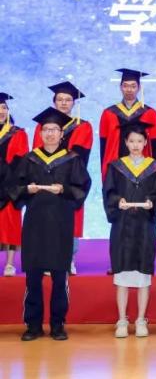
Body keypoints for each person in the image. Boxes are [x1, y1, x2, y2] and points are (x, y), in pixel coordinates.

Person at [12, 107, 91, 341]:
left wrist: (64, 189)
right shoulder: (30, 159)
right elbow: (13, 187)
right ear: (40, 133)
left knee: (59, 277)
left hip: (60, 224)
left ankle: (58, 324)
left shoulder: (72, 160)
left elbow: (82, 187)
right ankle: (33, 325)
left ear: (61, 134)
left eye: (54, 129)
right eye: (45, 129)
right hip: (35, 224)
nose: (49, 133)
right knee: (33, 277)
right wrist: (27, 189)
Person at [102, 121, 156, 339]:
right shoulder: (116, 167)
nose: (136, 145)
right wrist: (117, 201)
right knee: (121, 275)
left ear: (146, 142)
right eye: (132, 141)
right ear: (126, 143)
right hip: (122, 225)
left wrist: (151, 203)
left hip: (144, 226)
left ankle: (140, 319)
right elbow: (109, 192)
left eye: (140, 141)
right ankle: (122, 319)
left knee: (143, 276)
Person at [32, 81, 93, 275]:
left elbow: (80, 156)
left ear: (74, 103)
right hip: (45, 179)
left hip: (70, 180)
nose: (64, 103)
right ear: (54, 102)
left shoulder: (83, 126)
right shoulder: (43, 126)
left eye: (68, 100)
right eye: (60, 99)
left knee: (70, 219)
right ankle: (46, 259)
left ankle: (69, 259)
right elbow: (36, 154)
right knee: (46, 218)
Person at [99, 68, 156, 181]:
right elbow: (103, 147)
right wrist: (104, 171)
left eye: (133, 86)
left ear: (139, 88)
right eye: (125, 86)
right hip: (115, 168)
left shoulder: (150, 113)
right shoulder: (108, 113)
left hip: (143, 171)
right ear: (120, 87)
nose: (129, 89)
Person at [0, 92, 29, 277]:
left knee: (10, 223)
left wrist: (9, 183)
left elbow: (21, 162)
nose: (1, 111)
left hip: (9, 186)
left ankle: (10, 264)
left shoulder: (17, 133)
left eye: (4, 107)